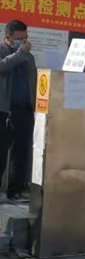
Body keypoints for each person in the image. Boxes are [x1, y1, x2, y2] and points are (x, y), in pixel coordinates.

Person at [0, 20, 37, 201]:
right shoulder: (3, 51)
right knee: (1, 152)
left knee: (21, 152)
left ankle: (15, 189)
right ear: (8, 37)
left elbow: (34, 80)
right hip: (4, 110)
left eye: (25, 38)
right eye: (19, 39)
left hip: (25, 109)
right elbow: (2, 67)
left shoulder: (29, 56)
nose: (24, 42)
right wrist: (20, 53)